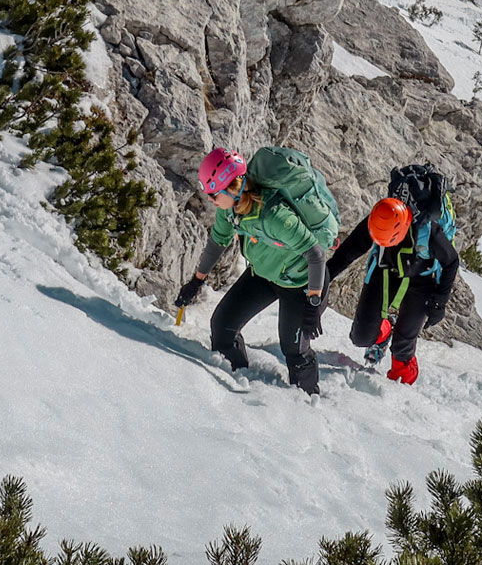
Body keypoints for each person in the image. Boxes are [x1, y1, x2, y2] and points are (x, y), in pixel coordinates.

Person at [174, 146, 331, 394]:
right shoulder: (230, 210)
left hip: (300, 283)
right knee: (222, 326)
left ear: (231, 189)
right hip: (263, 275)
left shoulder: (275, 216)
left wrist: (313, 302)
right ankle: (237, 384)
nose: (211, 200)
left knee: (294, 350)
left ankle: (308, 407)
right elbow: (217, 243)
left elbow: (316, 255)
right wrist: (196, 281)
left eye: (214, 194)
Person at [325, 195, 458, 385]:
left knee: (403, 347)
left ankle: (399, 391)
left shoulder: (429, 233)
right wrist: (325, 277)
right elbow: (351, 249)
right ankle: (384, 329)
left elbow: (451, 262)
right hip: (386, 269)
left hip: (422, 279)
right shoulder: (380, 218)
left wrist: (439, 303)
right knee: (361, 337)